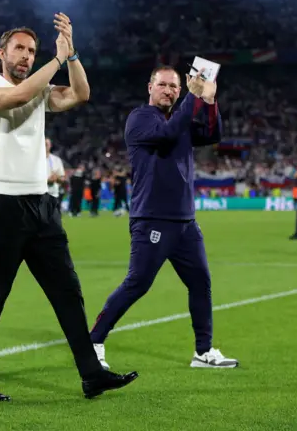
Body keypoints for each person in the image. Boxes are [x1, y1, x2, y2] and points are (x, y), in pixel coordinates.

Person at [0, 14, 138, 402]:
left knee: (67, 292)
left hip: (43, 205)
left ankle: (91, 374)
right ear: (2, 53)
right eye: (20, 49)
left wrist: (71, 54)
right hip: (4, 206)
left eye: (32, 51)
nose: (26, 56)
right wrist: (55, 61)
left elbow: (81, 94)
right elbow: (19, 95)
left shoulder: (40, 89)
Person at [90, 65, 239, 369]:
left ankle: (203, 351)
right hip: (152, 219)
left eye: (174, 87)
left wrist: (209, 101)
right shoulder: (140, 119)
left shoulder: (179, 118)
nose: (168, 90)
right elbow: (168, 134)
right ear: (150, 87)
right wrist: (192, 100)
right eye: (163, 85)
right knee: (138, 283)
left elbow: (213, 135)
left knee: (200, 283)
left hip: (185, 222)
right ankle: (93, 341)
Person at [45, 137, 66, 210]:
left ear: (50, 146)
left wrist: (56, 178)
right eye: (43, 144)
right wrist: (47, 181)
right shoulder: (35, 161)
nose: (45, 146)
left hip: (53, 195)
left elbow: (62, 178)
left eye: (46, 144)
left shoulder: (56, 160)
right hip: (38, 195)